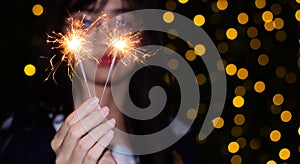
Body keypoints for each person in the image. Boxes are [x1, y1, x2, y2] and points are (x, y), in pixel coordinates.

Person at [0, 0, 201, 163]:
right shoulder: (25, 138)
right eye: (86, 22)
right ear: (61, 33)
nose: (105, 38)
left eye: (122, 23)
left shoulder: (175, 139)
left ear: (142, 36)